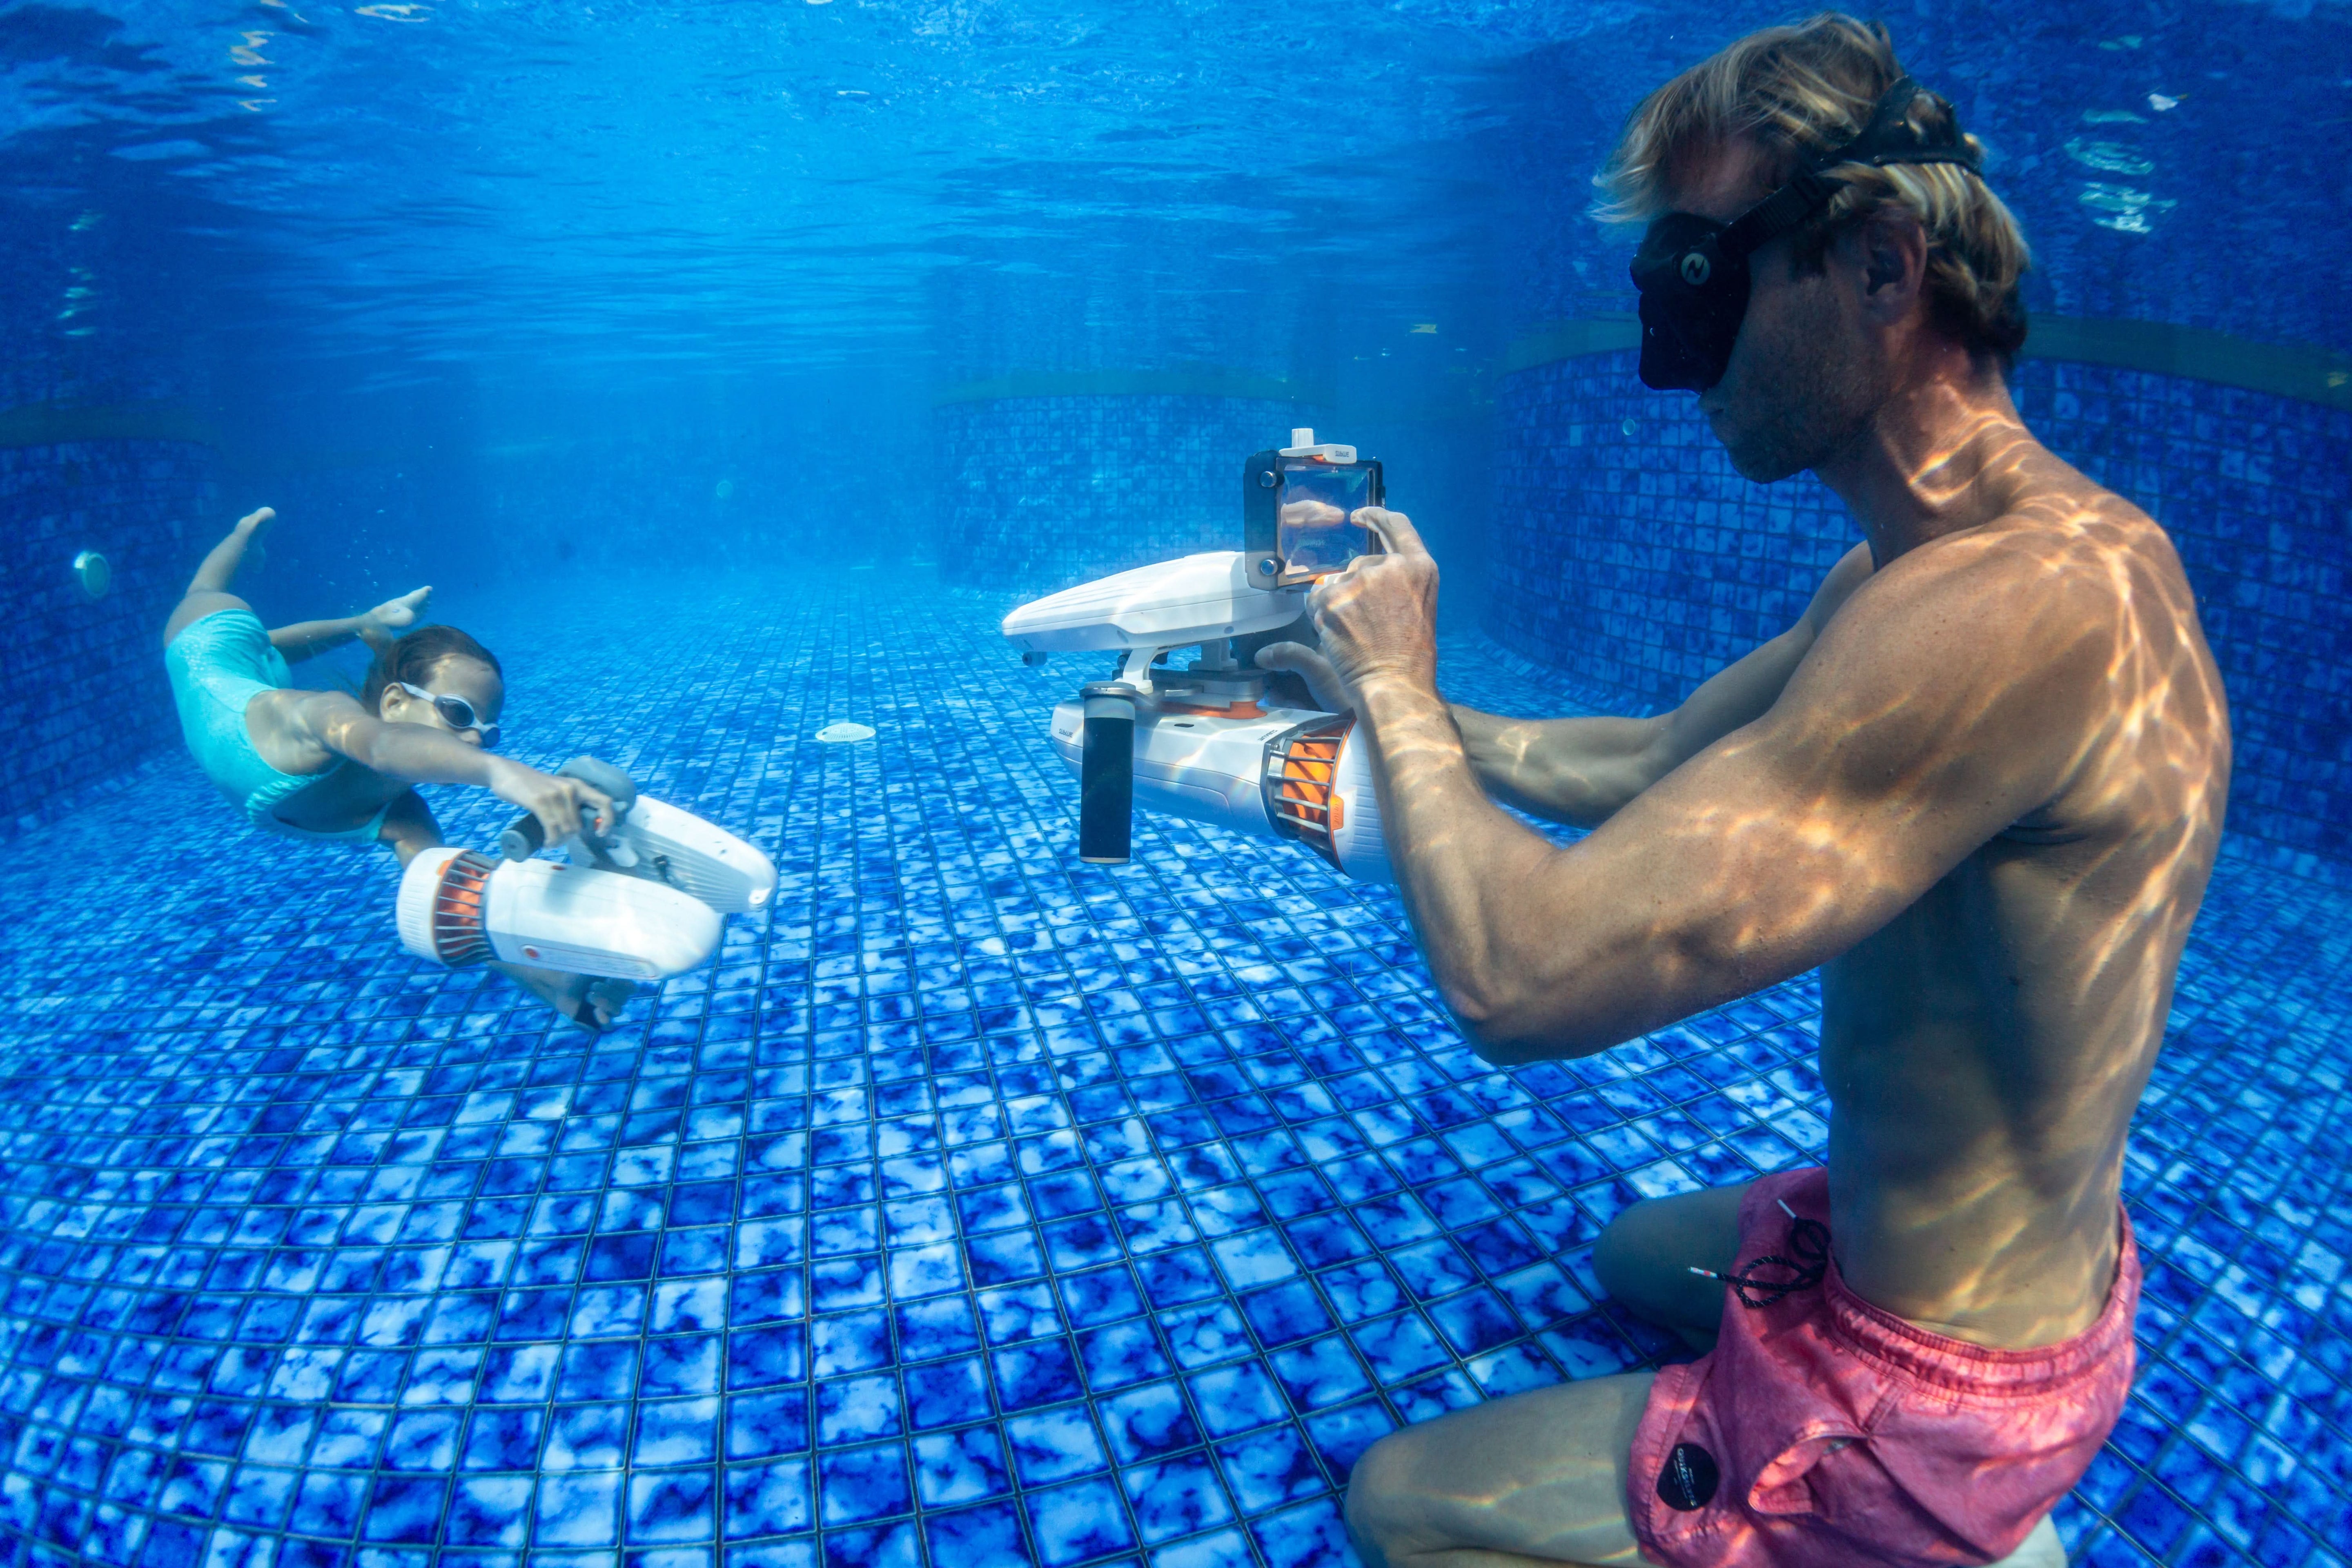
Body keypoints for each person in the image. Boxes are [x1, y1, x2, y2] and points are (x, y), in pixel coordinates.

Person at [1259, 15, 2227, 1568]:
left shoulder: (2013, 617)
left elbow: (1525, 978)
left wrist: (1391, 694)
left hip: (1945, 1388)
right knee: (1638, 1258)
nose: (1675, 356)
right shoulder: (1942, 566)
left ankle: (1936, 1534)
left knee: (1407, 1512)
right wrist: (1400, 691)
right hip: (1940, 1246)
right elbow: (1653, 762)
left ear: (1883, 267)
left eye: (1702, 284)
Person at [163, 505, 636, 1031]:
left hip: (254, 673)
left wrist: (564, 988)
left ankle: (368, 624)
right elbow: (382, 745)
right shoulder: (316, 717)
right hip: (205, 646)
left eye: (487, 730)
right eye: (459, 714)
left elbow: (461, 909)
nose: (476, 739)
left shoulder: (404, 816)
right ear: (391, 703)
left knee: (269, 650)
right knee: (212, 600)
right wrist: (508, 774)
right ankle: (245, 537)